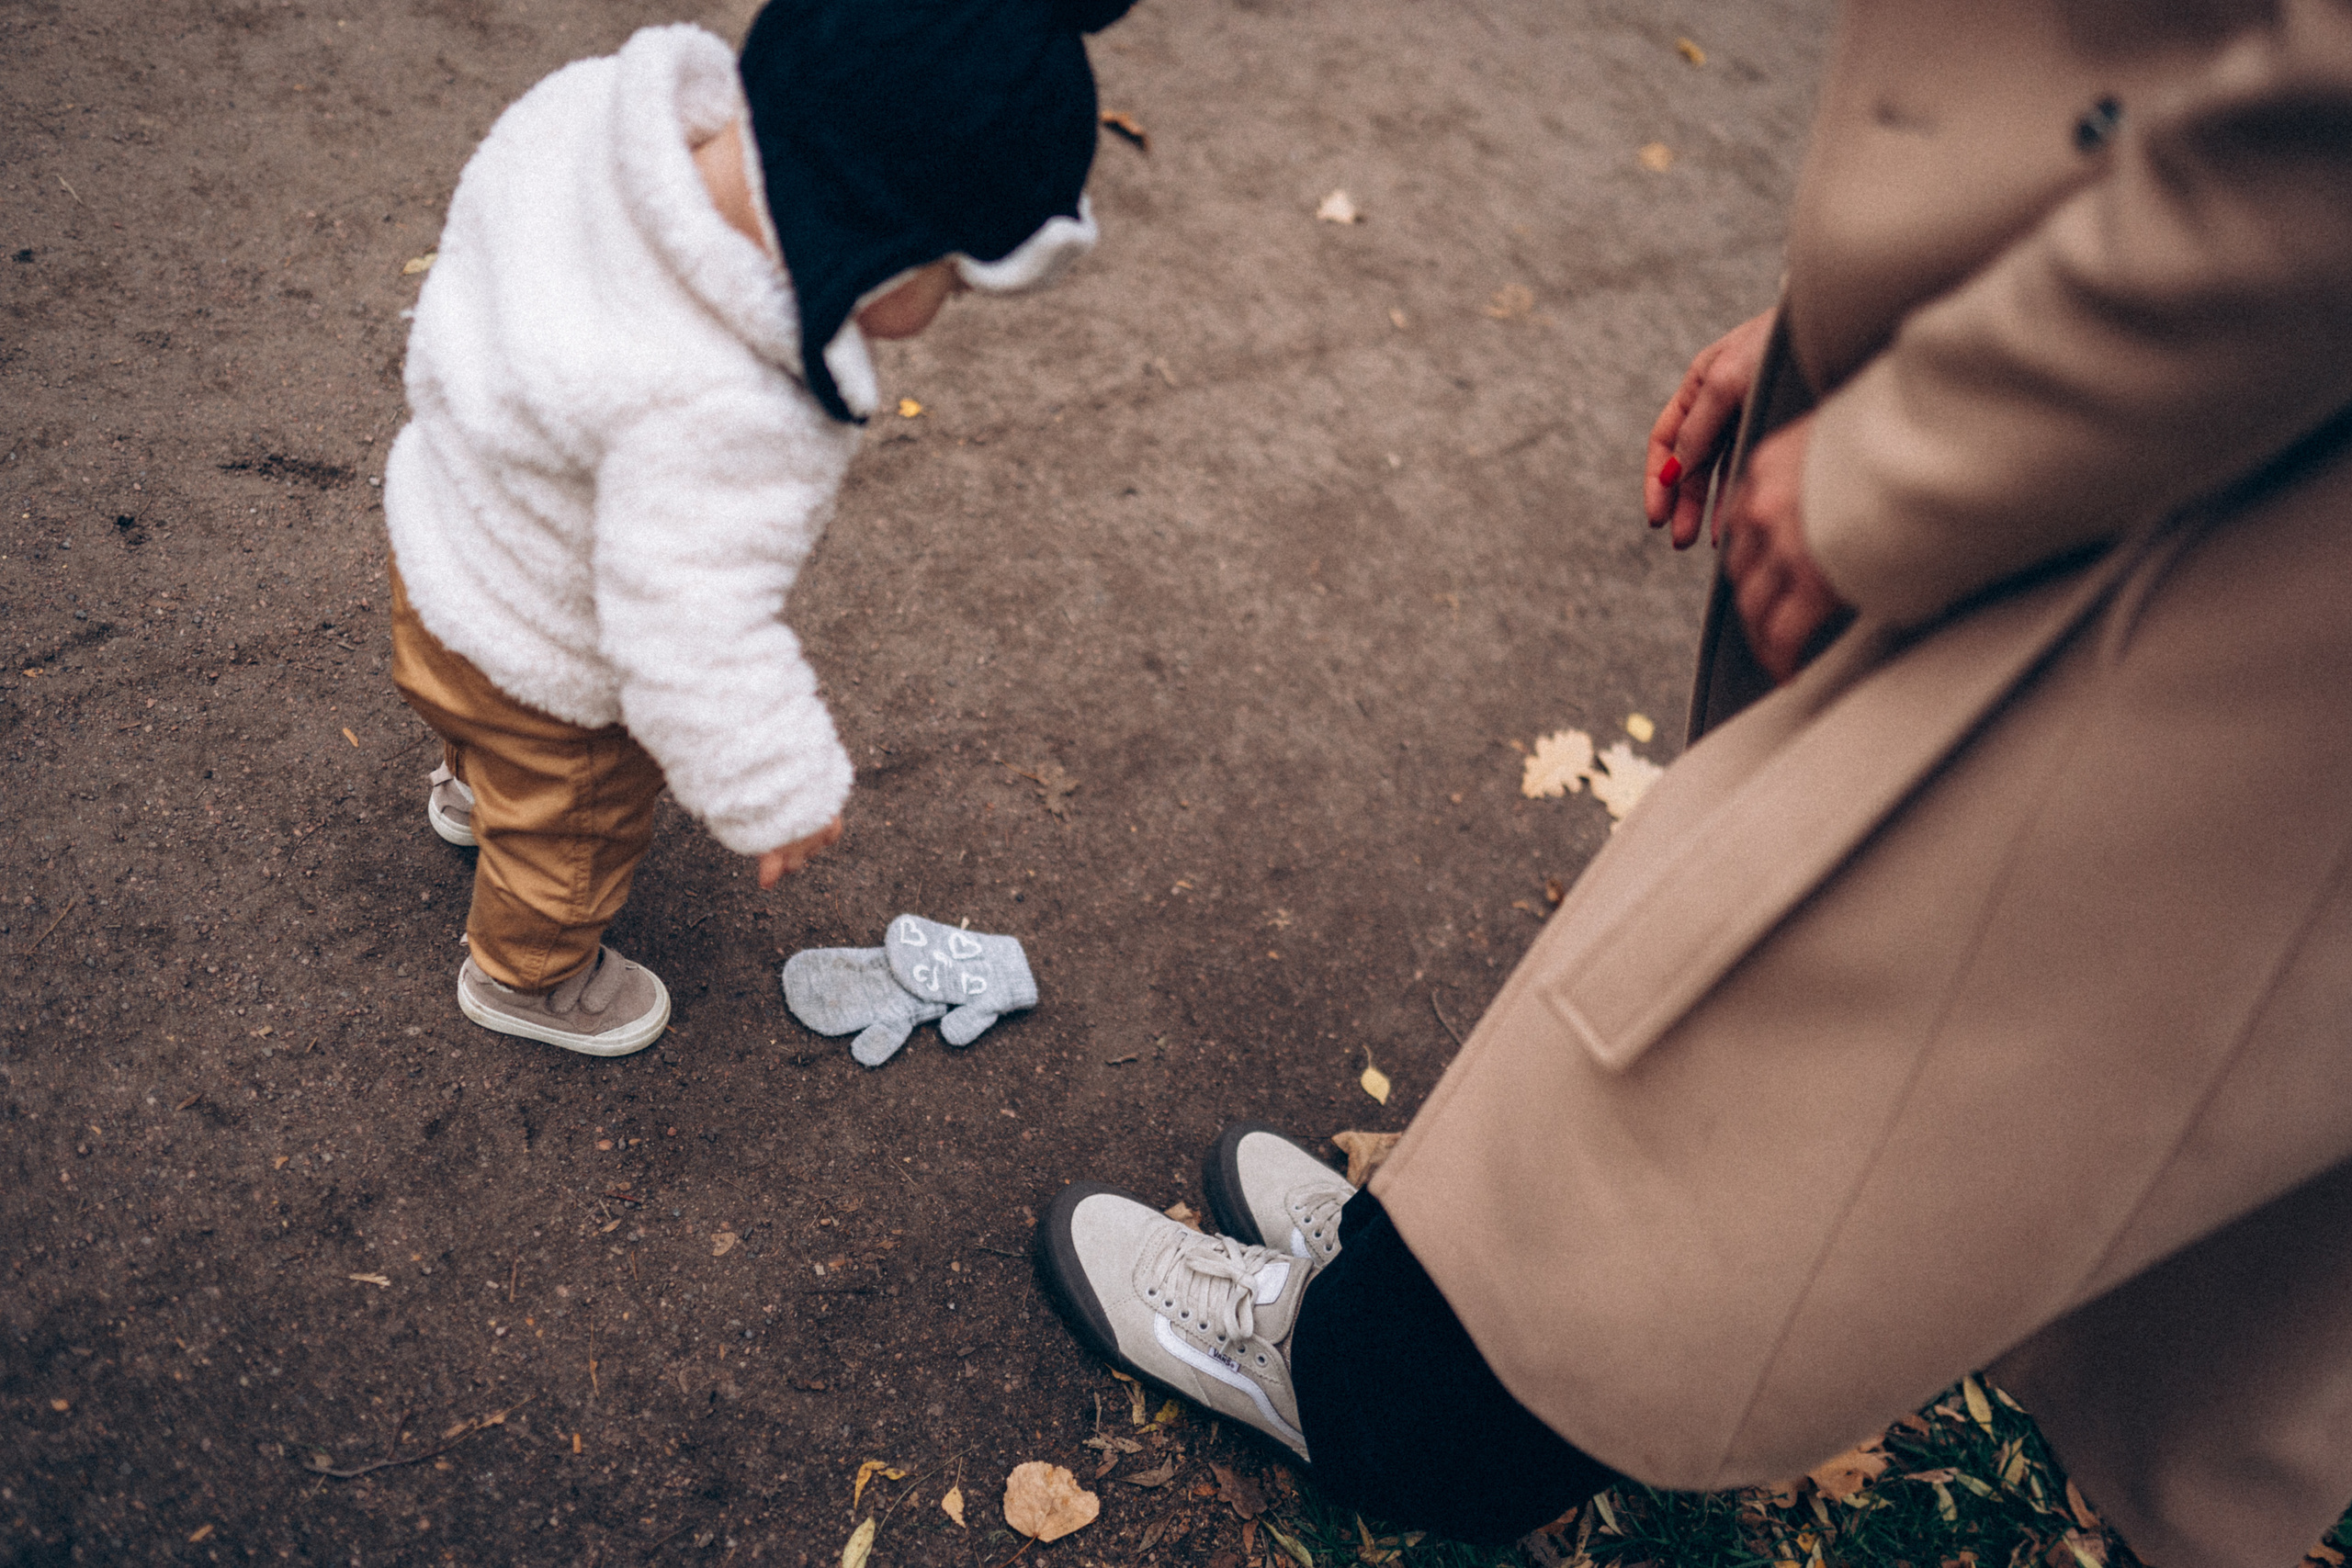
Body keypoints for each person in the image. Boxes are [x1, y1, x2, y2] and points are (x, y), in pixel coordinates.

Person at [1036, 3, 2352, 1562]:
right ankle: (1431, 1267)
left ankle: (1384, 1383)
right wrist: (1869, 327)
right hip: (2187, 428)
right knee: (1777, 994)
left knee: (1791, 1046)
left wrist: (1935, 437)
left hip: (2243, 585)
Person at [384, 0, 1131, 1056]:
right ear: (878, 234)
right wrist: (776, 787)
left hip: (441, 548)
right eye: (952, 275)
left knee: (484, 731)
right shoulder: (732, 405)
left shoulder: (584, 116)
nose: (949, 304)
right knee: (575, 831)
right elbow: (688, 623)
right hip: (549, 665)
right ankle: (528, 975)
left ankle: (474, 790)